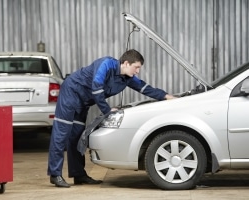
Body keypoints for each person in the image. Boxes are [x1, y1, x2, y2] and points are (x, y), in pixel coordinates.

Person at [47, 49, 176, 188]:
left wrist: (167, 97)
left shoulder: (127, 78)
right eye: (136, 67)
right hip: (71, 93)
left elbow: (146, 88)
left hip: (84, 102)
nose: (138, 71)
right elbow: (96, 87)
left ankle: (78, 174)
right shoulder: (106, 64)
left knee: (77, 137)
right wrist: (108, 110)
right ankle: (55, 175)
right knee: (61, 134)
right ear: (126, 63)